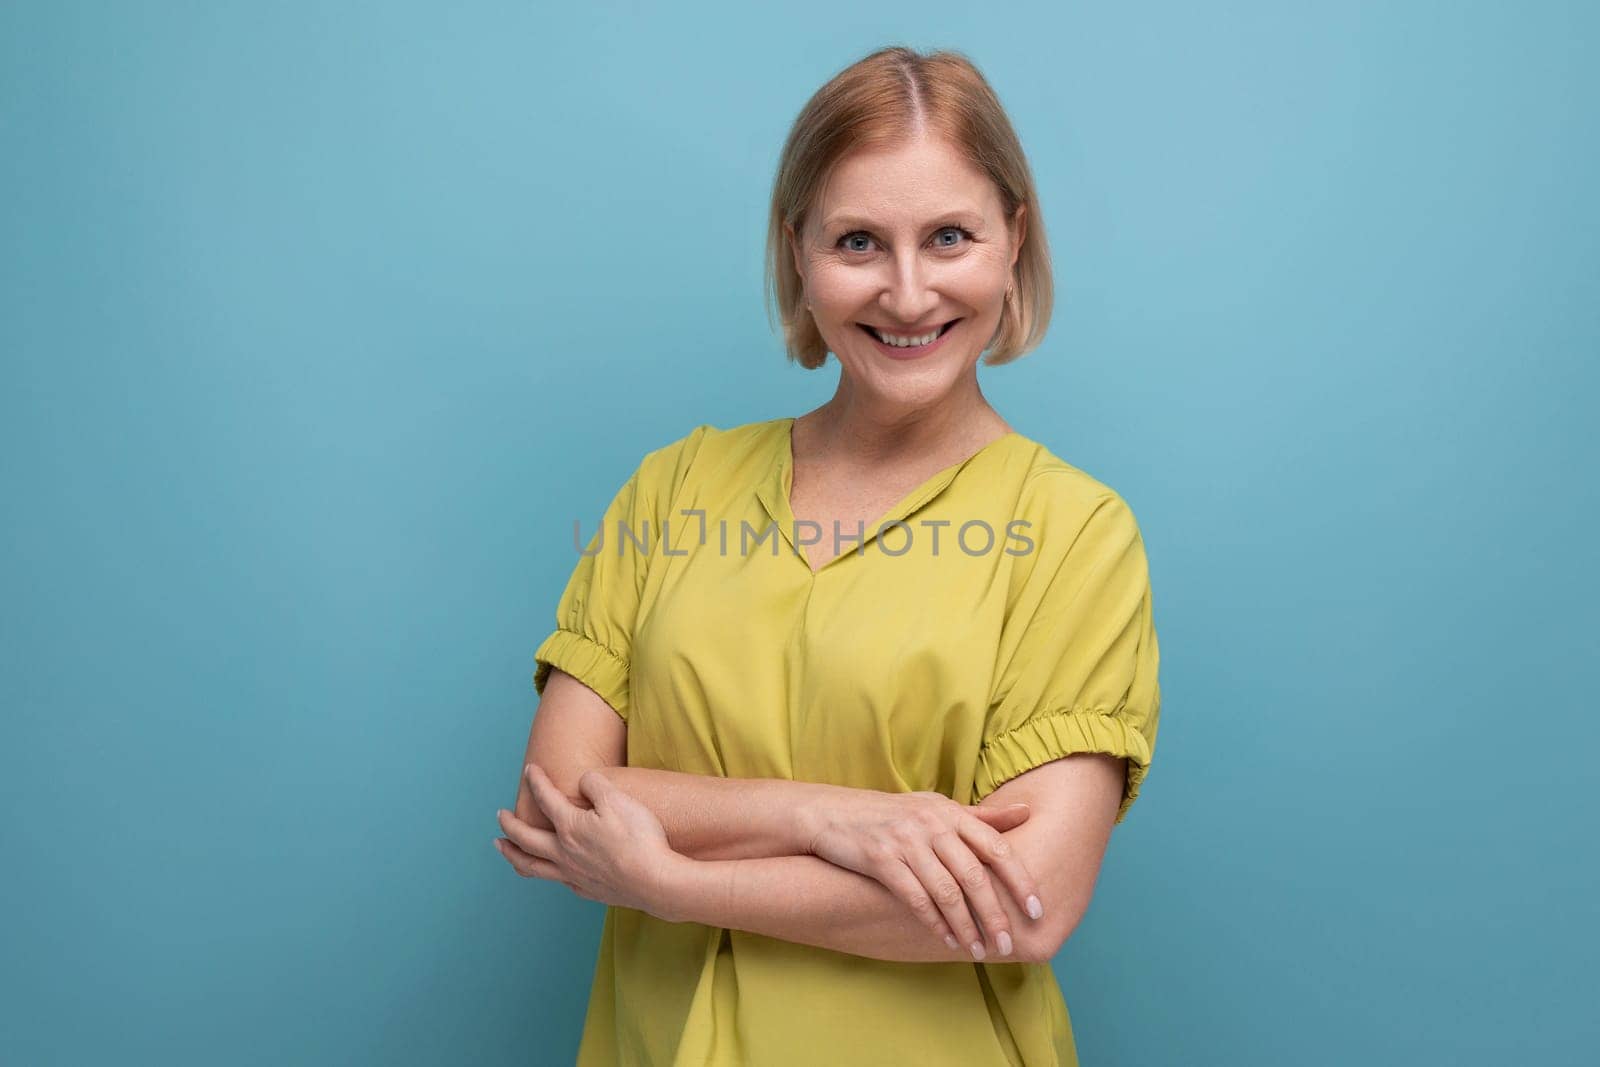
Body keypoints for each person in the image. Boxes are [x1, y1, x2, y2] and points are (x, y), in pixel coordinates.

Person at [492, 44, 1162, 1067]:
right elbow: (558, 797)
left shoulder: (1075, 532)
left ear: (1013, 241)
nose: (905, 292)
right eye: (857, 241)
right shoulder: (675, 487)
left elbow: (1024, 900)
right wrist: (840, 818)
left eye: (948, 237)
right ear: (796, 250)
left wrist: (674, 878)